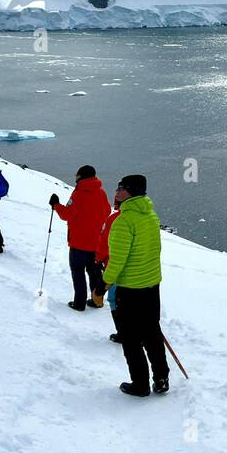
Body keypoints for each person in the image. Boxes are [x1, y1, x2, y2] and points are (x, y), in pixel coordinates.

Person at [101, 174, 169, 396]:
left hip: (130, 289)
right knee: (152, 333)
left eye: (121, 188)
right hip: (151, 286)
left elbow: (117, 261)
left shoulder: (124, 221)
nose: (117, 191)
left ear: (131, 192)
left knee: (130, 339)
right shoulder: (150, 215)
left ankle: (140, 384)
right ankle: (161, 378)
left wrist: (104, 284)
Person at [50, 165, 111, 312]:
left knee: (78, 272)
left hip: (78, 243)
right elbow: (108, 211)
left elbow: (67, 214)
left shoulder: (79, 194)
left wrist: (56, 205)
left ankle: (79, 303)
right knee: (94, 272)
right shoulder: (101, 192)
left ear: (80, 176)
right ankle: (97, 300)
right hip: (96, 243)